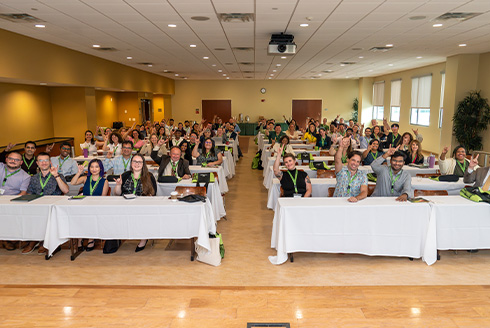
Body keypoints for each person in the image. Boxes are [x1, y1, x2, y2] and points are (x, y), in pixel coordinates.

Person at [23, 152, 69, 254]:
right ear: (37, 163)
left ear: (50, 162)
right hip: (37, 205)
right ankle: (34, 240)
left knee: (46, 215)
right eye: (41, 161)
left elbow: (65, 191)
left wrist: (56, 176)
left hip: (53, 206)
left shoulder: (58, 175)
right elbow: (29, 193)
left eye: (46, 160)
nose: (44, 163)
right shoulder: (34, 178)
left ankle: (45, 242)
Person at [114, 154, 157, 252]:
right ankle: (116, 238)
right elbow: (117, 194)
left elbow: (154, 194)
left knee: (144, 214)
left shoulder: (149, 176)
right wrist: (118, 185)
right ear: (131, 163)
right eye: (134, 161)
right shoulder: (125, 175)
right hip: (126, 205)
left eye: (139, 162)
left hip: (142, 207)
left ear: (143, 164)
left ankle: (144, 238)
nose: (137, 164)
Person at [70, 159, 109, 251]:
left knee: (90, 216)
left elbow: (103, 198)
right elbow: (72, 182)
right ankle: (80, 238)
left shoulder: (104, 181)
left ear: (100, 168)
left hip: (97, 207)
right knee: (79, 216)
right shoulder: (85, 178)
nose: (94, 169)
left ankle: (91, 239)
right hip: (84, 206)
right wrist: (79, 172)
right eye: (92, 167)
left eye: (96, 167)